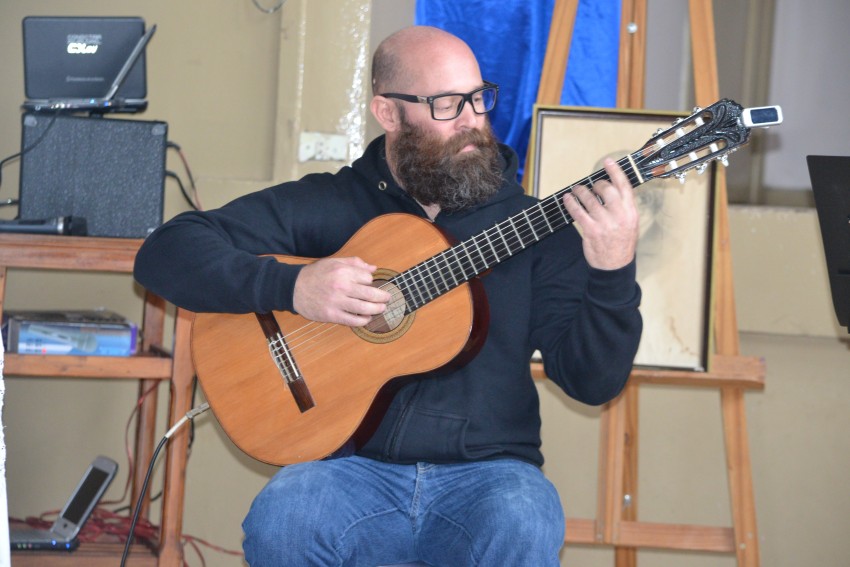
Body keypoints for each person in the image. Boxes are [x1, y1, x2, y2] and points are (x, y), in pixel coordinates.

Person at [134, 25, 642, 567]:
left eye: (478, 98)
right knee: (285, 517)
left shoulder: (534, 227)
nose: (473, 119)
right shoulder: (331, 204)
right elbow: (165, 251)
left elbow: (593, 383)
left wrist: (613, 270)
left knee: (526, 516)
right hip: (349, 468)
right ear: (388, 112)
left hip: (489, 474)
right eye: (447, 103)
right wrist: (294, 286)